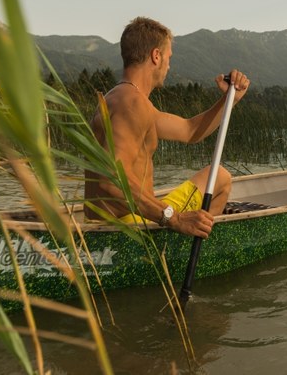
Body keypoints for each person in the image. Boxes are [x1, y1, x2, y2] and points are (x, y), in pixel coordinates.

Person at [84, 17, 250, 238]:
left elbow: (191, 131)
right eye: (168, 57)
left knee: (218, 175)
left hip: (121, 219)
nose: (169, 65)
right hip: (126, 227)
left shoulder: (124, 98)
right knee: (221, 178)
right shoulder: (131, 105)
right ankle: (194, 249)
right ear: (156, 56)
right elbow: (112, 181)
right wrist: (175, 218)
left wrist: (230, 100)